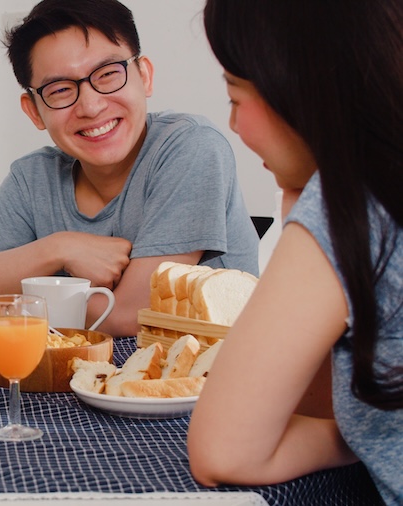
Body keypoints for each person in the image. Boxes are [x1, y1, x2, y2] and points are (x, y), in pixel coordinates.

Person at [0, 0, 259, 337]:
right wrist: (58, 248)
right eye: (60, 90)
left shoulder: (190, 147)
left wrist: (7, 305)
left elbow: (129, 316)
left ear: (144, 76)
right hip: (68, 382)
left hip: (196, 381)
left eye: (108, 74)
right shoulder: (34, 179)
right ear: (34, 112)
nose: (91, 105)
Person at [187, 1, 403, 503]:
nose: (234, 125)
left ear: (299, 87)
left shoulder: (352, 206)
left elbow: (224, 451)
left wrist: (356, 438)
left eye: (235, 96)